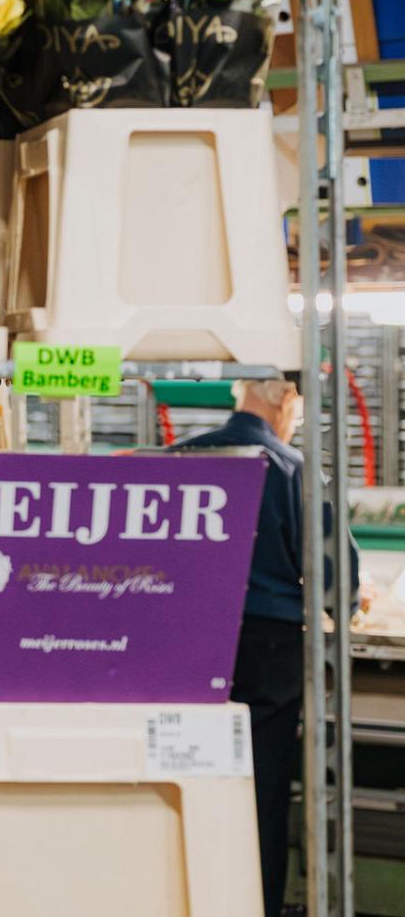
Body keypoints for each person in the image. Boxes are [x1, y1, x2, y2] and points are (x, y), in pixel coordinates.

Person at [172, 378, 362, 917]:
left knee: (179, 777)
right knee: (260, 792)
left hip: (182, 644)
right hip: (269, 650)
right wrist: (344, 604)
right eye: (299, 409)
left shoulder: (177, 461)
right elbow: (338, 581)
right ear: (283, 395)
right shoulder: (293, 470)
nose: (296, 422)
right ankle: (254, 903)